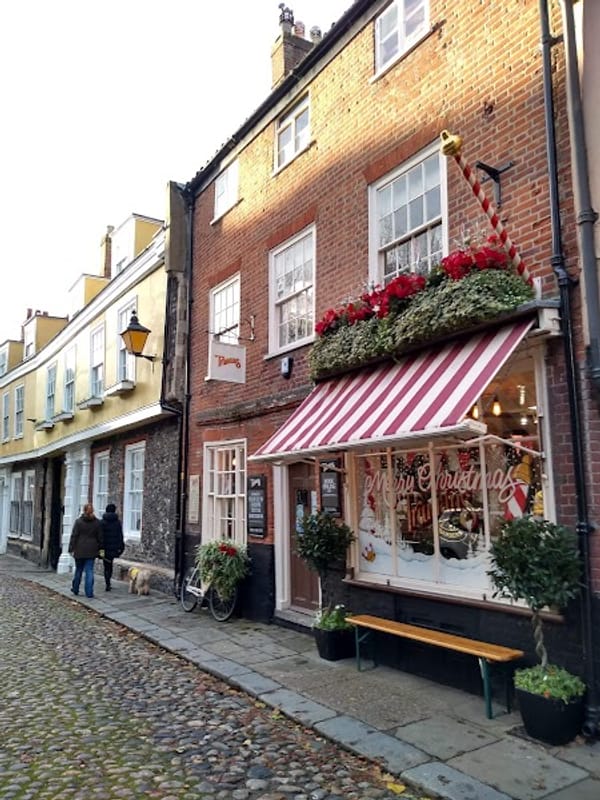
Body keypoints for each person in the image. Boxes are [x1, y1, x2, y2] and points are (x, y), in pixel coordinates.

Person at [68, 503, 103, 598]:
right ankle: (89, 592)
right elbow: (100, 538)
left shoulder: (78, 522)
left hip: (79, 548)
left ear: (84, 510)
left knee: (78, 570)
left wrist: (71, 548)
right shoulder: (97, 523)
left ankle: (75, 588)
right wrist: (101, 551)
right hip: (92, 549)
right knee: (89, 570)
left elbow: (74, 536)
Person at [100, 503, 125, 591]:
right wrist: (121, 547)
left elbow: (100, 537)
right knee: (110, 564)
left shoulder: (102, 522)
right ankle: (108, 581)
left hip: (104, 548)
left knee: (106, 565)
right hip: (114, 548)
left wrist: (100, 550)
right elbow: (120, 536)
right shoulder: (117, 523)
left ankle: (107, 582)